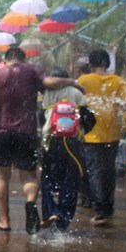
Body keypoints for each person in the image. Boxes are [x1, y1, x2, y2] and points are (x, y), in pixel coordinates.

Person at [0, 46, 84, 235]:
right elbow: (49, 82)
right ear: (23, 59)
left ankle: (5, 221)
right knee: (29, 177)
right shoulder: (33, 70)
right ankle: (30, 201)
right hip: (27, 132)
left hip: (2, 132)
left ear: (5, 59)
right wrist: (72, 81)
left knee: (2, 177)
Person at [78, 49, 126, 226]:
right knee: (108, 173)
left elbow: (76, 103)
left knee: (95, 173)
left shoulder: (83, 80)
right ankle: (108, 208)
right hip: (112, 135)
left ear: (90, 64)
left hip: (92, 136)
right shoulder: (119, 81)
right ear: (107, 63)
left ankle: (100, 211)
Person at [39, 67, 88, 231]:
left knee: (47, 180)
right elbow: (89, 118)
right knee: (70, 182)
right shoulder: (77, 93)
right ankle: (63, 220)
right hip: (73, 144)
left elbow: (41, 118)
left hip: (51, 142)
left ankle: (50, 211)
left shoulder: (46, 95)